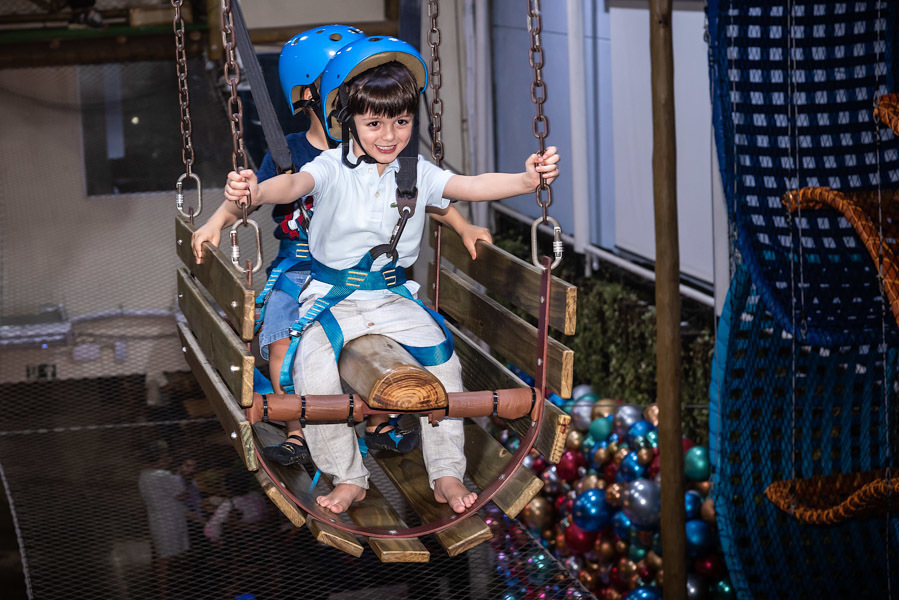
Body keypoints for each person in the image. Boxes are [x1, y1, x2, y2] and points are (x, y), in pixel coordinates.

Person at [223, 36, 560, 515]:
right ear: (350, 123)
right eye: (374, 123)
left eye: (400, 122)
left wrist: (527, 181)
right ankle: (348, 476)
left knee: (445, 367)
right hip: (331, 300)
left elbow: (469, 185)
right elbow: (293, 184)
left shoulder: (414, 171)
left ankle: (445, 470)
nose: (389, 135)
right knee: (313, 373)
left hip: (392, 299)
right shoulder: (331, 168)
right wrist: (255, 192)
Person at [192, 26, 492, 468]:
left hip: (366, 270)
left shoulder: (372, 142)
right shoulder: (292, 152)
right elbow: (259, 194)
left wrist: (464, 226)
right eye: (342, 85)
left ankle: (377, 419)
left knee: (379, 333)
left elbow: (420, 194)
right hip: (300, 265)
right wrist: (217, 220)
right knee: (281, 336)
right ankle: (298, 426)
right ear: (312, 95)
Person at [138, 441, 189, 599]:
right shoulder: (164, 476)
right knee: (165, 558)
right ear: (161, 457)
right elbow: (183, 495)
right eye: (166, 455)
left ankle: (162, 589)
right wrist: (181, 477)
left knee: (162, 554)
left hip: (157, 519)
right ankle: (164, 592)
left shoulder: (144, 474)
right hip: (169, 521)